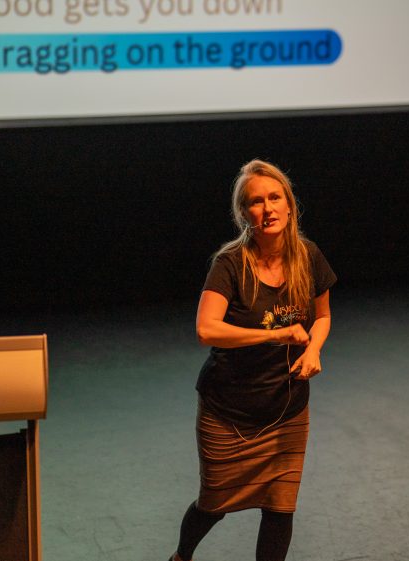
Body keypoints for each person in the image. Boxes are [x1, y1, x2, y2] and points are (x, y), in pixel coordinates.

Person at [169, 159, 336, 561]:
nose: (268, 208)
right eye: (256, 202)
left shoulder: (308, 256)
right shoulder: (230, 264)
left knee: (280, 507)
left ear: (290, 205)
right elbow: (206, 329)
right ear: (244, 213)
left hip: (287, 409)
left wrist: (313, 348)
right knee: (213, 504)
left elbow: (324, 315)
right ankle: (181, 557)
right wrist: (276, 334)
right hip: (229, 412)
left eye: (275, 197)